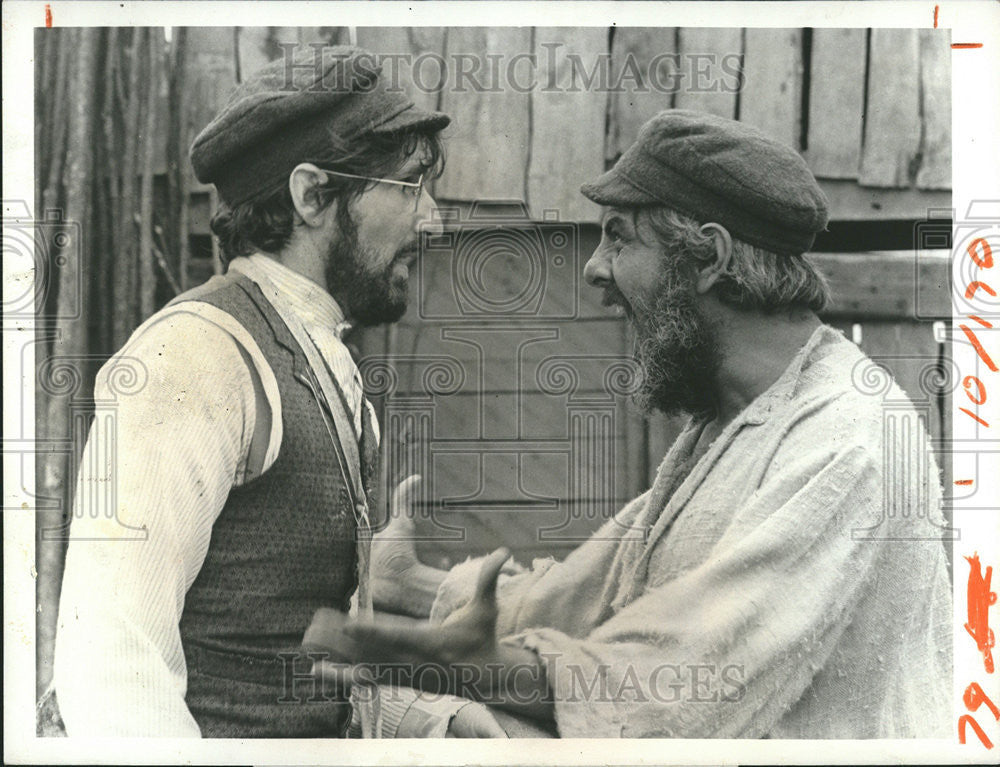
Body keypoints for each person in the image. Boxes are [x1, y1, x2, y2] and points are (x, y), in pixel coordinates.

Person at [307, 109, 954, 738]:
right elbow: (587, 593)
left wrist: (463, 669)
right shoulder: (732, 426)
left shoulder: (845, 441)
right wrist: (413, 585)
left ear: (710, 257)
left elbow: (679, 678)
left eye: (619, 237)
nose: (593, 268)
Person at [44, 46, 504, 738]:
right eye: (411, 185)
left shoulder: (323, 361)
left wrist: (432, 720)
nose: (431, 219)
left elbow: (285, 657)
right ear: (312, 195)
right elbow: (112, 670)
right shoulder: (194, 359)